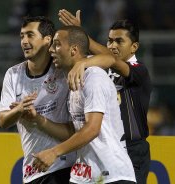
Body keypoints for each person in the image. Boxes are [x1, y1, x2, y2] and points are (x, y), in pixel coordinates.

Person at [23, 26, 136, 183]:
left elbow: (92, 129)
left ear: (73, 49)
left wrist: (54, 152)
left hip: (111, 175)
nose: (51, 50)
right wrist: (38, 120)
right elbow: (74, 129)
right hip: (83, 176)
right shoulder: (73, 79)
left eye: (56, 44)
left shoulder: (94, 77)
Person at [58, 10, 152, 184]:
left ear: (134, 47)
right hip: (103, 149)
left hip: (132, 149)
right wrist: (79, 35)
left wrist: (83, 60)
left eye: (119, 41)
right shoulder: (101, 68)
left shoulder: (139, 71)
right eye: (109, 40)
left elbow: (113, 61)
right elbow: (105, 58)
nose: (112, 45)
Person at [0, 16, 76, 184]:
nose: (24, 41)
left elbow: (73, 131)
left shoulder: (63, 71)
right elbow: (3, 120)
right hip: (33, 170)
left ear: (48, 40)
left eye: (30, 35)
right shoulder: (13, 74)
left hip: (65, 167)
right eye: (22, 36)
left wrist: (37, 119)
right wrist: (19, 110)